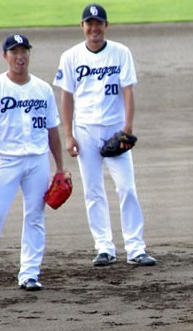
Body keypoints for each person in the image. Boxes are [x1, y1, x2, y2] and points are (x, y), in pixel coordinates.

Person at [53, 3, 156, 267]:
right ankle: (104, 247)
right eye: (89, 23)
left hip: (114, 129)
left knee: (126, 188)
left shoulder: (121, 53)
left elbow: (128, 91)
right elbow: (66, 97)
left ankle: (135, 248)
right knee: (93, 190)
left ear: (106, 26)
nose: (94, 28)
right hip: (84, 130)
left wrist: (127, 127)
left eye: (99, 23)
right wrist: (69, 135)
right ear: (82, 26)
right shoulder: (71, 56)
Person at [0, 34, 64, 295]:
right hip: (6, 162)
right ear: (5, 56)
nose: (20, 56)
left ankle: (30, 274)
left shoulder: (43, 89)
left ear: (29, 54)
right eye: (14, 51)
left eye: (24, 51)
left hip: (37, 161)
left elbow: (53, 130)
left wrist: (60, 167)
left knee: (35, 217)